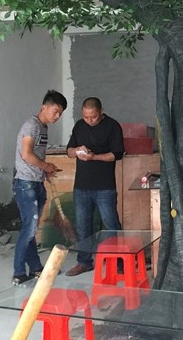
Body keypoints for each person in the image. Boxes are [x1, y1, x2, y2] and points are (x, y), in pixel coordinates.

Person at [64, 97, 125, 276]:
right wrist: (77, 151)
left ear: (101, 112)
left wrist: (94, 157)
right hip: (81, 186)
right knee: (83, 226)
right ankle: (84, 262)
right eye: (86, 117)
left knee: (110, 224)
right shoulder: (79, 126)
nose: (89, 120)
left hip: (104, 186)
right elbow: (69, 151)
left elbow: (117, 154)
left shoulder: (112, 126)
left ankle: (117, 261)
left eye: (93, 117)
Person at [12, 90, 67, 285]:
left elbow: (34, 156)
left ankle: (35, 268)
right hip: (25, 184)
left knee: (31, 229)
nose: (57, 116)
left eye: (60, 113)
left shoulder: (43, 127)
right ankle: (18, 273)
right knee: (29, 229)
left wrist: (45, 171)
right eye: (55, 111)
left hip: (36, 182)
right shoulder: (31, 126)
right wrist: (45, 166)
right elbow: (26, 154)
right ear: (44, 107)